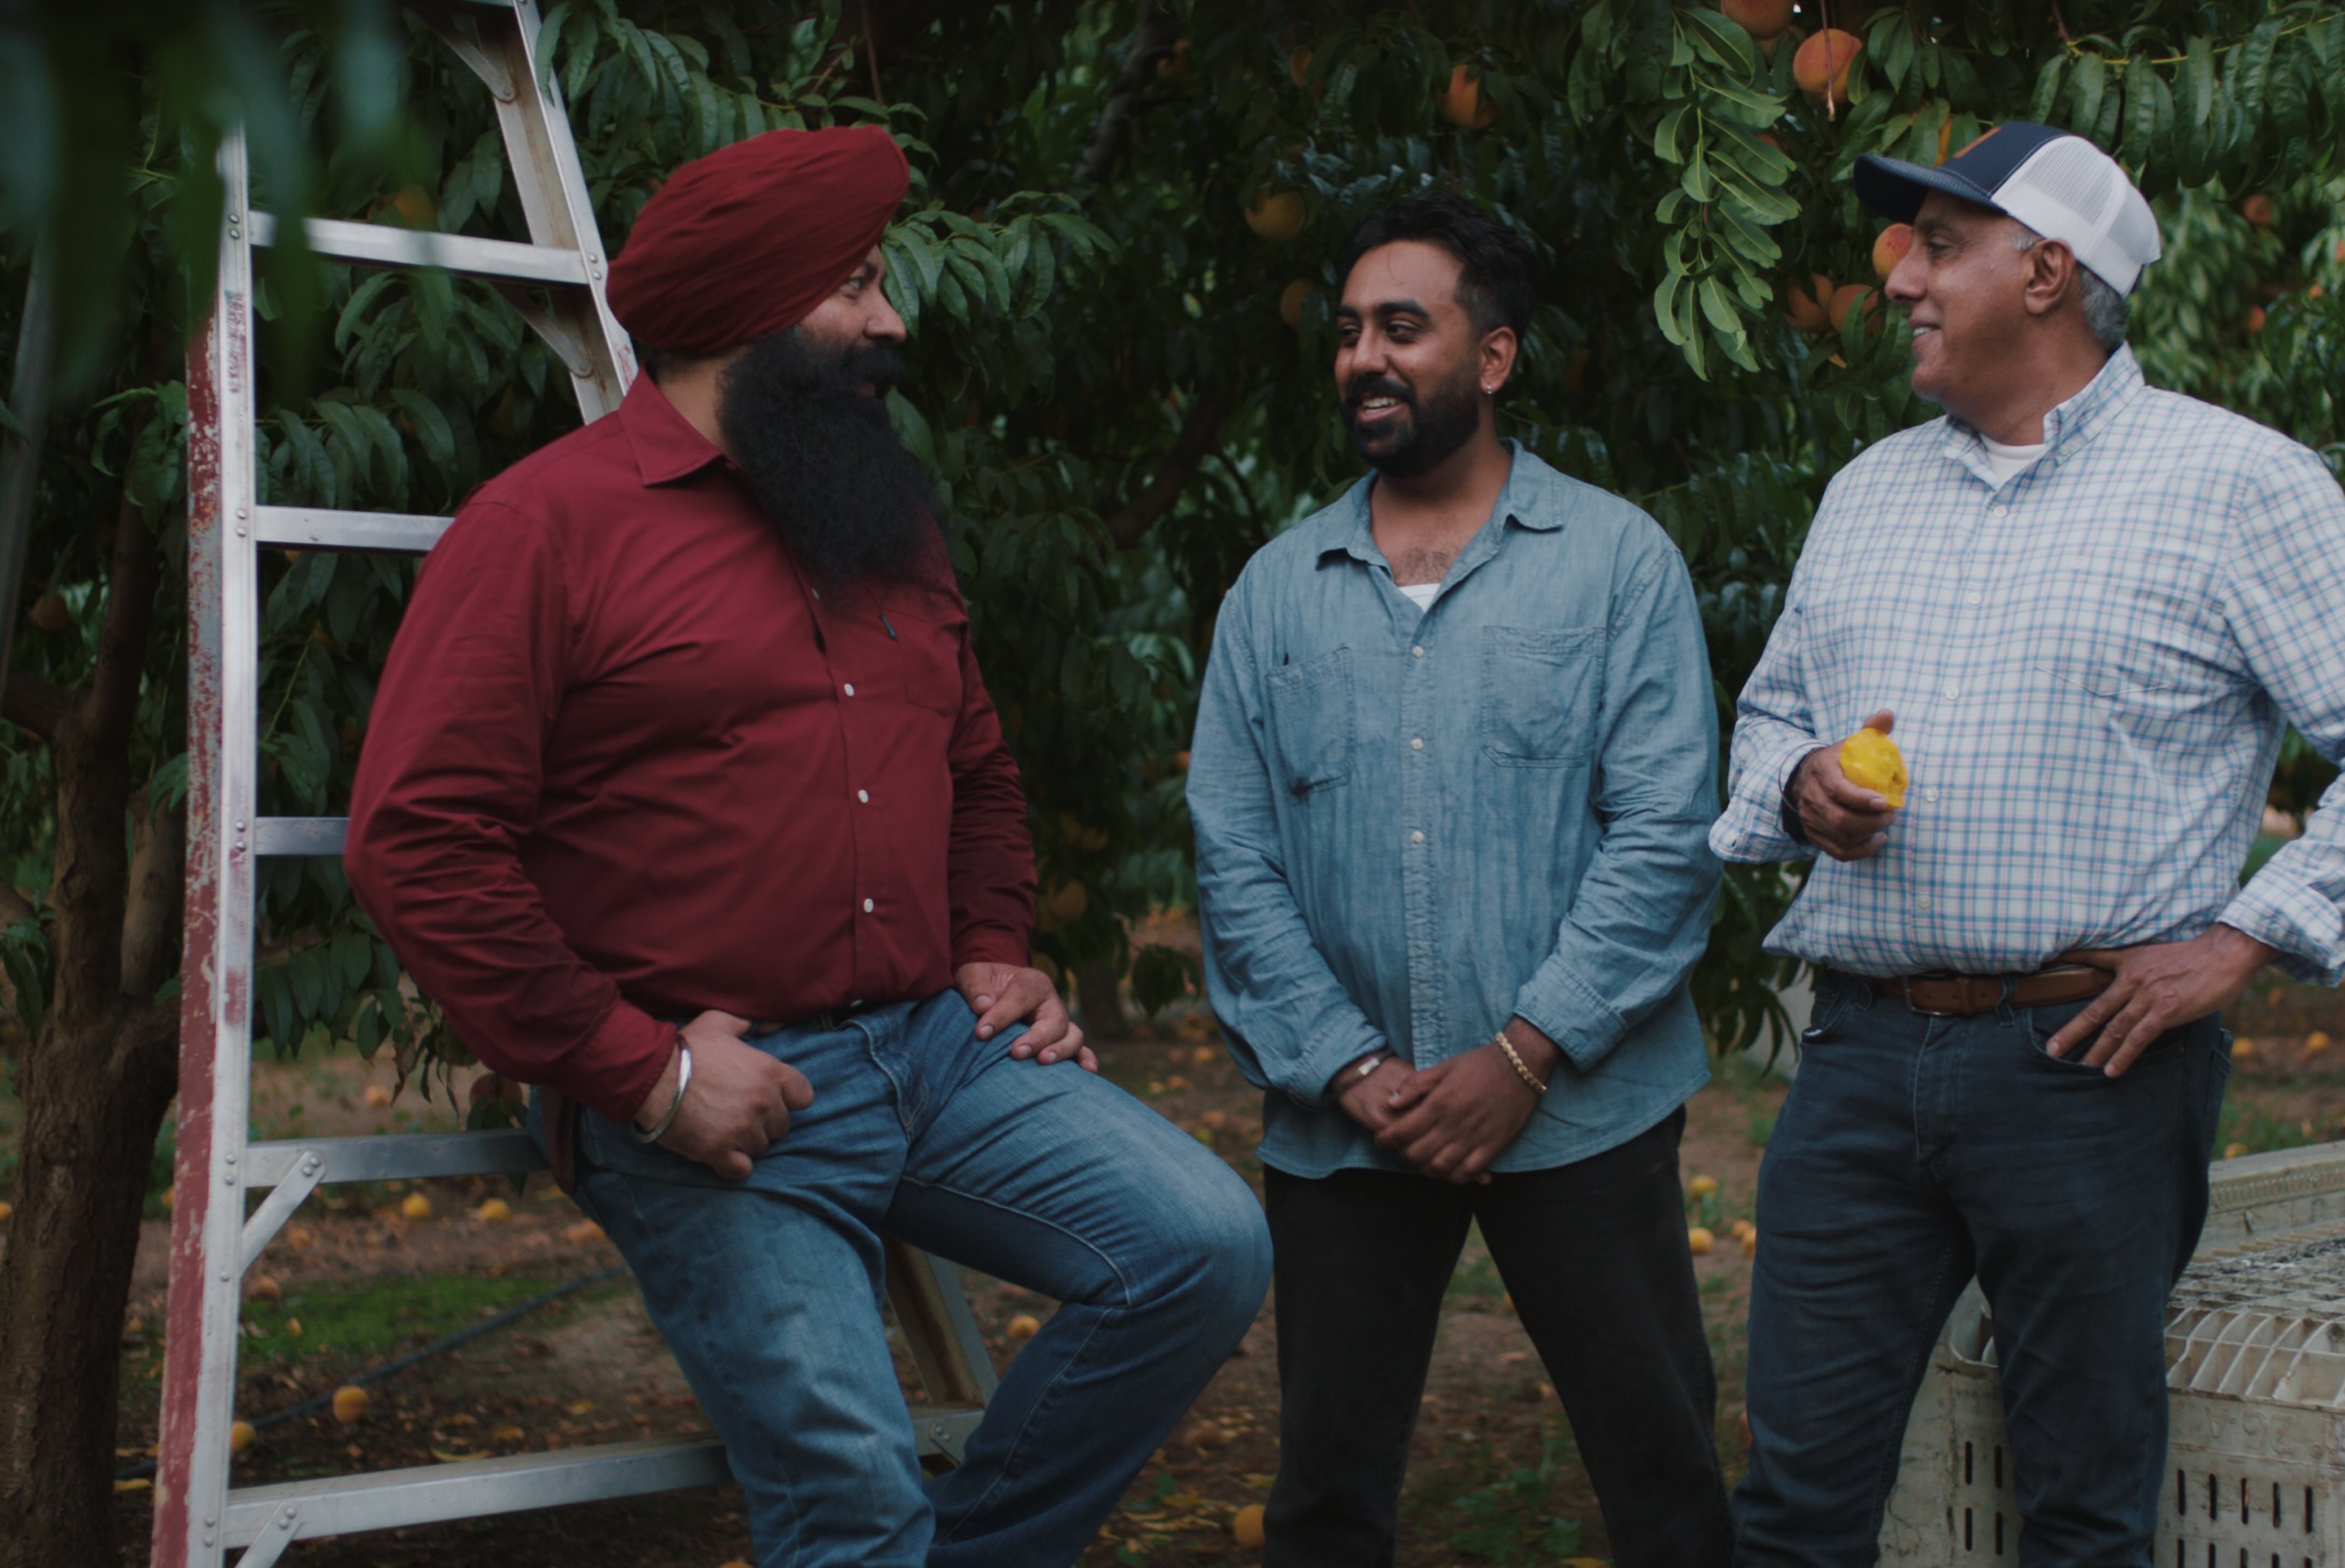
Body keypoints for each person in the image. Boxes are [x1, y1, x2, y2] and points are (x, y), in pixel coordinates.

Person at [345, 125, 1269, 1568]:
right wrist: (644, 1076)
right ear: (749, 320)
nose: (891, 320)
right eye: (857, 288)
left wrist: (994, 950)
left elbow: (975, 768)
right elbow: (419, 843)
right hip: (716, 1091)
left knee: (1203, 1250)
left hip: (934, 1048)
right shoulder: (545, 527)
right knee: (848, 1487)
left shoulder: (880, 516)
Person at [1711, 124, 2345, 1567]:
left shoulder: (2234, 486)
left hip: (2087, 1063)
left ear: (2049, 272)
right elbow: (1764, 729)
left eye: (1942, 246)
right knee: (1793, 1508)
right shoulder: (1867, 493)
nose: (1901, 280)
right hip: (1863, 1061)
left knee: (2079, 1509)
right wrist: (1801, 785)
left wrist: (2250, 936)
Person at [1187, 192, 1736, 1568]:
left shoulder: (1618, 566)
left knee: (1663, 1476)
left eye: (1404, 328)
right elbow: (1234, 857)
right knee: (1324, 1495)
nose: (1364, 356)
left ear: (1491, 359)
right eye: (1352, 329)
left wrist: (1524, 1051)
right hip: (1347, 1128)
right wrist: (1349, 1066)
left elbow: (1665, 836)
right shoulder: (1274, 593)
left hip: (1581, 1110)